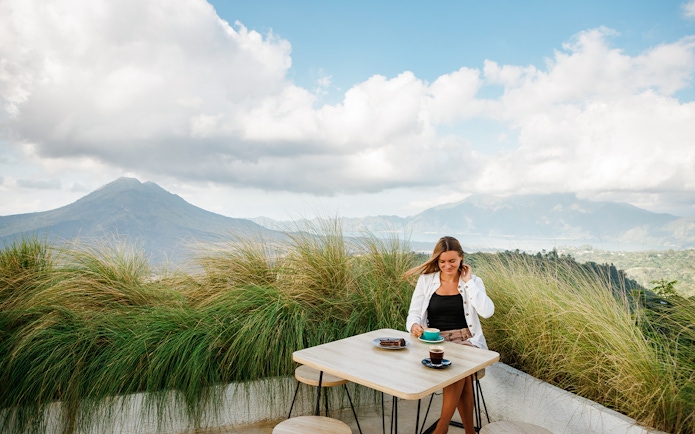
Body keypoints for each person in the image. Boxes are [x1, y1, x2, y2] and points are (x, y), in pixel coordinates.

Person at [405, 236, 494, 434]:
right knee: (460, 373)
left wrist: (468, 282)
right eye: (442, 261)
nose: (447, 266)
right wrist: (414, 326)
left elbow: (487, 312)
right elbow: (414, 314)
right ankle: (469, 432)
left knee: (456, 370)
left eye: (452, 261)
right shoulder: (426, 281)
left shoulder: (474, 281)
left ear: (461, 259)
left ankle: (442, 427)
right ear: (437, 261)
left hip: (468, 341)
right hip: (436, 342)